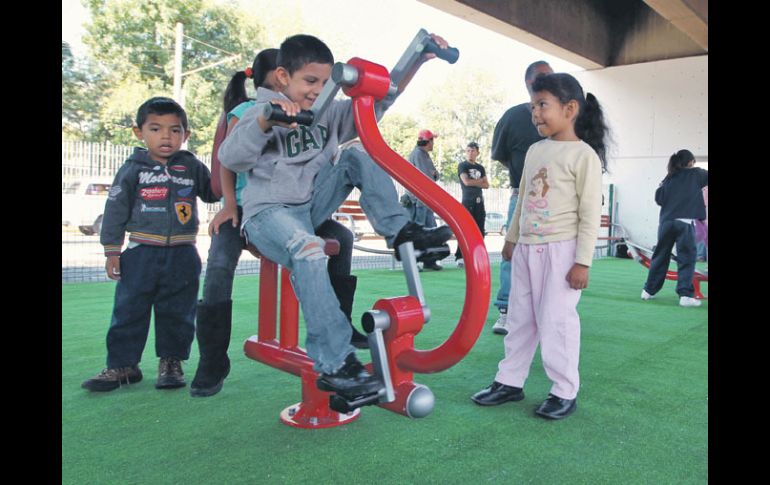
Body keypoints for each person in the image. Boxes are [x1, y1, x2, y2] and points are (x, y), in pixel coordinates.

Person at [218, 34, 453, 397]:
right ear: (283, 77)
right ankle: (335, 363)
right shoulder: (255, 113)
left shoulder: (327, 112)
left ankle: (401, 233)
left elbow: (378, 100)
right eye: (309, 81)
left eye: (325, 82)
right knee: (309, 249)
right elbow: (230, 159)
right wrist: (266, 120)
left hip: (308, 206)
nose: (317, 90)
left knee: (356, 153)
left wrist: (418, 58)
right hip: (266, 215)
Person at [190, 49, 366, 398]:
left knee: (341, 237)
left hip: (287, 209)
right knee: (221, 264)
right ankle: (212, 357)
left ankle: (340, 326)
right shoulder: (249, 111)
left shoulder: (306, 112)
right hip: (244, 208)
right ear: (276, 80)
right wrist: (228, 204)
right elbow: (227, 161)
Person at [471, 72, 609, 420]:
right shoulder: (535, 150)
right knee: (520, 318)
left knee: (556, 320)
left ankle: (564, 390)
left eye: (542, 105)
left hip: (562, 251)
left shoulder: (584, 156)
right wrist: (512, 237)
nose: (535, 113)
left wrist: (583, 262)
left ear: (570, 108)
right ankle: (509, 381)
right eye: (533, 106)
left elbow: (590, 213)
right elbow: (524, 199)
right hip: (527, 248)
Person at [82, 97, 219, 392]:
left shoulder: (191, 165)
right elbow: (116, 208)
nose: (166, 136)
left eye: (175, 130)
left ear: (186, 135)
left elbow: (212, 193)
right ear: (139, 132)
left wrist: (227, 160)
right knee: (129, 309)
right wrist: (112, 250)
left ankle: (171, 363)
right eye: (156, 129)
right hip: (141, 253)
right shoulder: (133, 168)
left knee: (178, 312)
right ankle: (122, 365)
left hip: (183, 253)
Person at [489, 60, 553, 335]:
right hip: (522, 196)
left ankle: (547, 312)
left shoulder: (564, 117)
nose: (550, 81)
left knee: (554, 255)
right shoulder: (513, 117)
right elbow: (502, 156)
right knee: (511, 253)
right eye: (543, 77)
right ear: (529, 83)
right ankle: (506, 310)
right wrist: (525, 179)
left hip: (557, 201)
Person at [641, 149, 708, 307]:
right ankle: (685, 295)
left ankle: (648, 291)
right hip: (685, 223)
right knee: (686, 258)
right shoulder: (696, 173)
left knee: (660, 256)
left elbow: (659, 198)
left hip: (666, 223)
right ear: (691, 162)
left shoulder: (669, 177)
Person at [405, 129, 444, 271]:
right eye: (433, 140)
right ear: (428, 141)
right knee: (419, 231)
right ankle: (414, 261)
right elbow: (428, 177)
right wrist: (433, 175)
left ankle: (429, 260)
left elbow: (435, 175)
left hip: (424, 200)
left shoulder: (423, 155)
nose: (434, 143)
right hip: (419, 200)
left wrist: (434, 175)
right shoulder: (419, 155)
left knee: (430, 230)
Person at [454, 141, 489, 267]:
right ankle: (459, 256)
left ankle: (477, 256)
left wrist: (477, 181)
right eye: (468, 150)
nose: (470, 153)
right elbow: (466, 182)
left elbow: (487, 185)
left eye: (473, 150)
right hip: (467, 201)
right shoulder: (463, 166)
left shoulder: (481, 168)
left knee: (480, 230)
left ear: (477, 152)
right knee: (465, 229)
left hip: (479, 202)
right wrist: (480, 181)